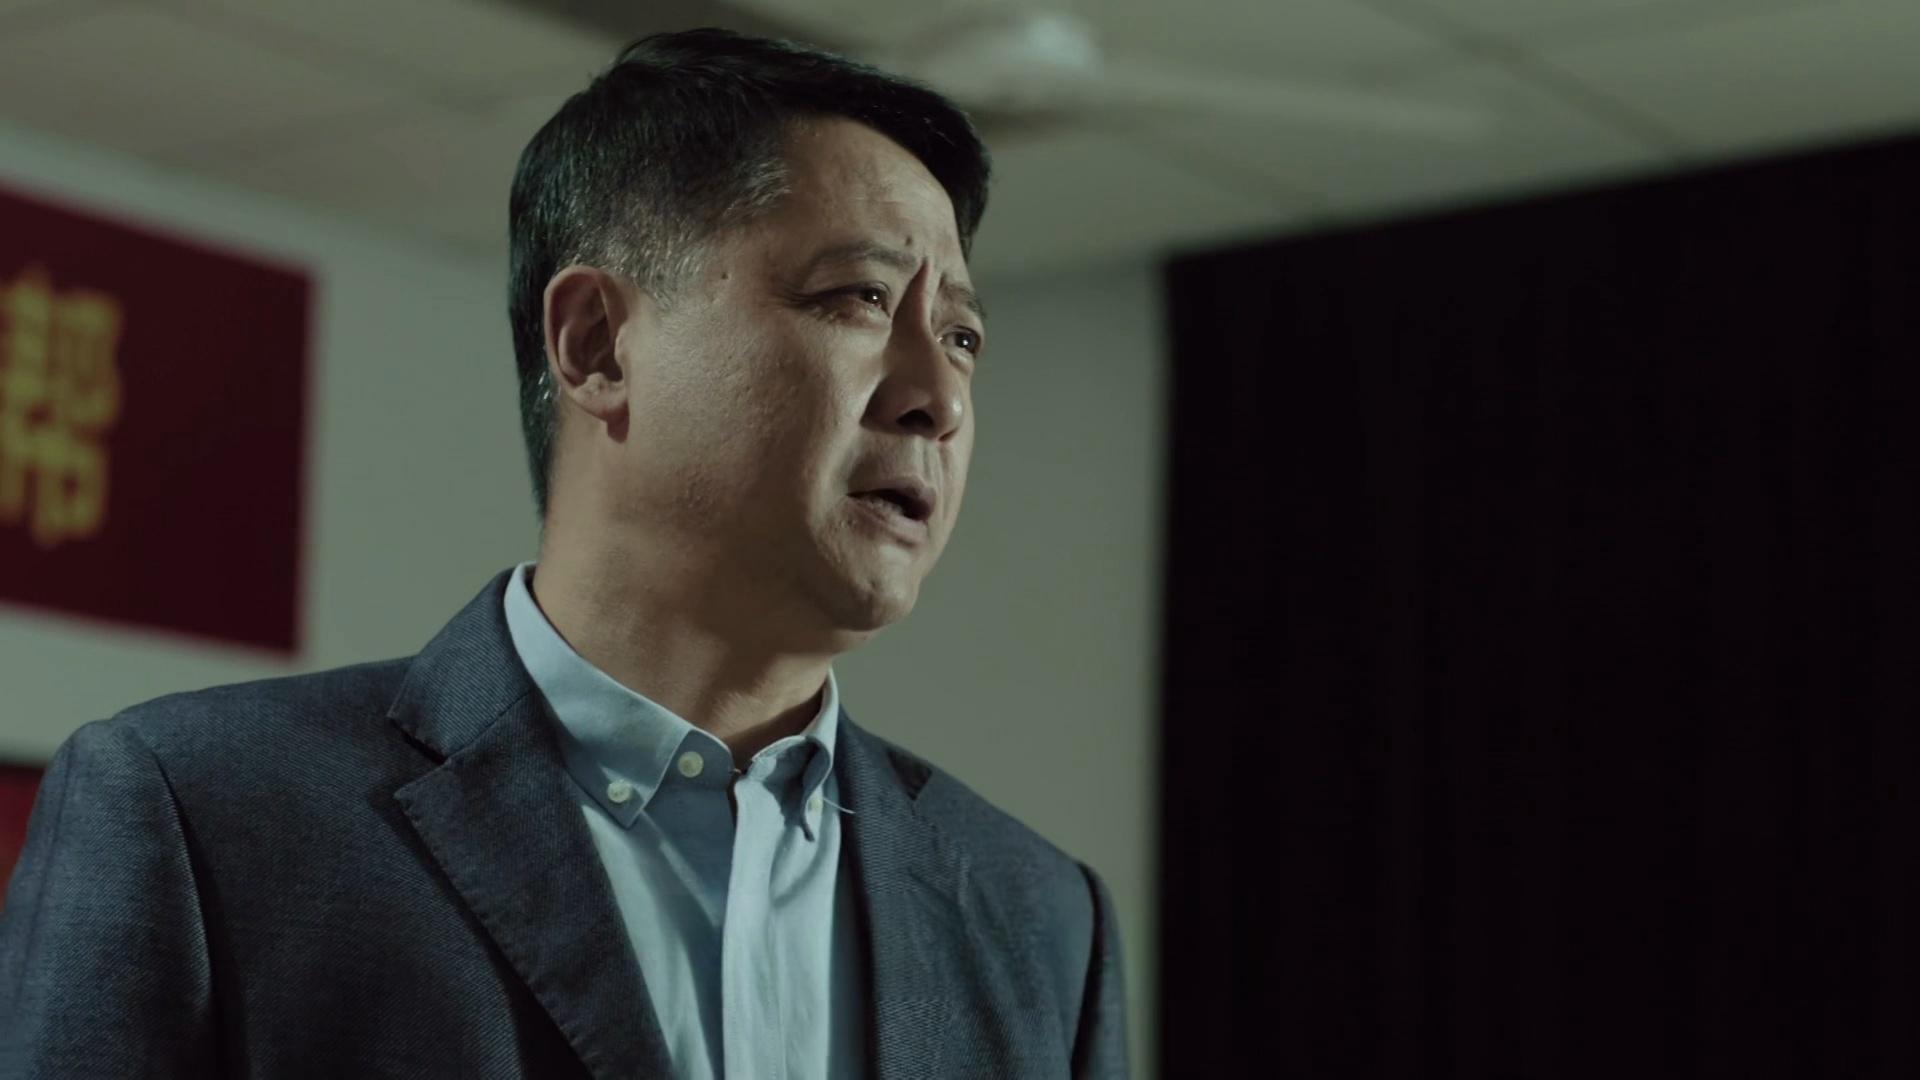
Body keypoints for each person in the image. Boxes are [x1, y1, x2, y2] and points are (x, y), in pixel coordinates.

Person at [0, 26, 1128, 1080]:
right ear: (595, 345)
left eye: (963, 336)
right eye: (859, 298)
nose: (939, 397)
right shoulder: (205, 815)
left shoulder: (1039, 920)